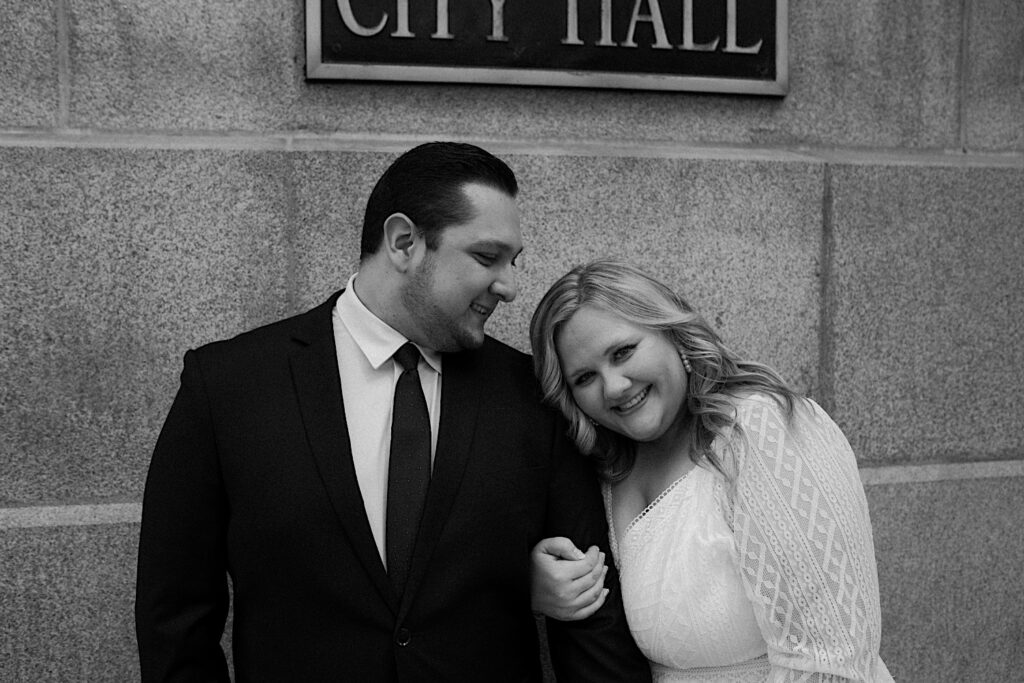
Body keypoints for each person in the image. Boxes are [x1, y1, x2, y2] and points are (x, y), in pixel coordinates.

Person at [135, 143, 650, 682]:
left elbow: (593, 617)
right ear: (404, 242)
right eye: (486, 257)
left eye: (513, 261)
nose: (510, 287)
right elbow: (175, 619)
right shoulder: (227, 386)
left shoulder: (530, 394)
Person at [528, 259, 894, 682]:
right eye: (585, 377)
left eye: (623, 352)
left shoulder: (761, 430)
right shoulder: (609, 472)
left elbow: (834, 660)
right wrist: (537, 585)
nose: (614, 386)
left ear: (674, 335)